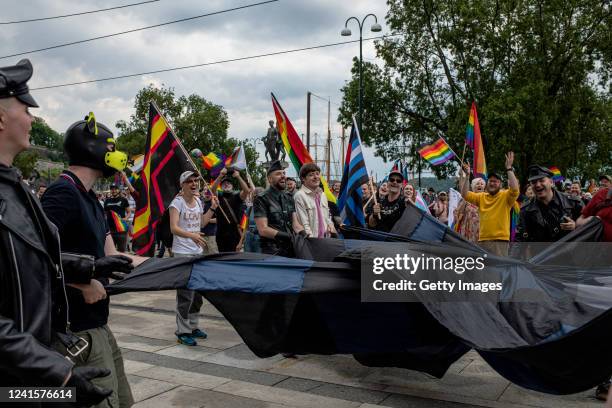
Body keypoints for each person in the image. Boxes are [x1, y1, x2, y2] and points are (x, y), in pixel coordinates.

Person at [0, 59, 118, 406]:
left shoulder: (13, 187)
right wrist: (58, 373)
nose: (33, 119)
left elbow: (27, 259)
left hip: (23, 374)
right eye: (26, 108)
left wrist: (89, 268)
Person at [42, 113, 148, 408]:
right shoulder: (62, 193)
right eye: (111, 147)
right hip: (75, 329)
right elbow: (36, 256)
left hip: (98, 322)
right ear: (91, 148)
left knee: (121, 400)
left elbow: (112, 255)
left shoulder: (90, 198)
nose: (116, 155)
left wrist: (165, 266)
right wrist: (82, 282)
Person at [169, 171, 218, 346]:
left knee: (197, 292)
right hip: (182, 253)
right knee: (185, 294)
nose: (194, 183)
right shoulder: (177, 203)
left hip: (197, 252)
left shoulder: (198, 201)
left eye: (195, 180)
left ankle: (193, 326)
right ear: (182, 184)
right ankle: (182, 331)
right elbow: (174, 228)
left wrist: (212, 208)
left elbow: (202, 223)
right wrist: (192, 236)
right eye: (189, 181)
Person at [459, 152, 519, 256]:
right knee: (485, 270)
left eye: (495, 181)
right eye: (490, 181)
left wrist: (509, 168)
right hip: (483, 240)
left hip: (500, 241)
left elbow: (514, 189)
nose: (492, 183)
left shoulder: (506, 196)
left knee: (498, 270)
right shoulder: (481, 197)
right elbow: (464, 194)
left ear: (500, 184)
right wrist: (467, 175)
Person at [516, 165, 583, 242]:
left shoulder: (573, 202)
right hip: (542, 253)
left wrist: (576, 226)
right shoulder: (525, 210)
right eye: (533, 182)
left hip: (569, 252)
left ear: (551, 182)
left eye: (541, 180)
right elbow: (519, 240)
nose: (537, 185)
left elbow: (590, 227)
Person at [253, 160, 304, 256]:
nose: (283, 176)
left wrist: (304, 235)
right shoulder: (261, 198)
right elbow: (263, 230)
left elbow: (295, 224)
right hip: (272, 251)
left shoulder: (289, 197)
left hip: (291, 249)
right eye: (278, 174)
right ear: (270, 179)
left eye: (284, 173)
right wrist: (287, 236)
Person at [211, 167, 250, 252]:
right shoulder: (219, 196)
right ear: (221, 187)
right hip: (221, 233)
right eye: (224, 183)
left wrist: (238, 177)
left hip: (235, 233)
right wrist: (220, 176)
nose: (227, 184)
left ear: (232, 186)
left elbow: (246, 191)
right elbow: (213, 189)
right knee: (222, 258)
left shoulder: (237, 196)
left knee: (234, 257)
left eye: (229, 183)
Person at [294, 163, 337, 238]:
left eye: (317, 174)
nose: (316, 177)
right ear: (303, 179)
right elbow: (304, 224)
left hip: (325, 240)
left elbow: (327, 216)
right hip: (311, 241)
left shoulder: (322, 195)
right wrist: (312, 242)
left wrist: (331, 226)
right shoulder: (300, 196)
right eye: (311, 175)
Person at [454, 177, 484, 243]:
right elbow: (457, 211)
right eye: (477, 184)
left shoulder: (485, 198)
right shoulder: (467, 198)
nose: (480, 185)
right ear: (473, 186)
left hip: (481, 228)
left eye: (482, 184)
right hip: (468, 228)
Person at [104, 184, 130, 252]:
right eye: (112, 189)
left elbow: (129, 212)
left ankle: (122, 263)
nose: (114, 190)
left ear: (118, 190)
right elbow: (105, 213)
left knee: (122, 251)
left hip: (121, 229)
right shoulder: (107, 201)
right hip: (110, 230)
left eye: (115, 189)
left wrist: (126, 218)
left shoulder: (124, 200)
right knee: (110, 251)